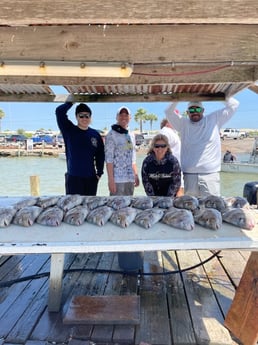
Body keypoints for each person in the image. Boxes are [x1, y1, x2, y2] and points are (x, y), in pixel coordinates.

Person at [165, 97, 239, 197]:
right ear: (187, 112)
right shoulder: (182, 124)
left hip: (210, 175)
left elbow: (234, 105)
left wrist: (215, 94)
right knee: (190, 209)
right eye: (191, 110)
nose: (195, 112)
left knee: (212, 209)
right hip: (189, 176)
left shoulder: (214, 119)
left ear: (203, 110)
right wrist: (179, 96)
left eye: (198, 109)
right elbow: (168, 111)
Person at [105, 106, 141, 271]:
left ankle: (125, 240)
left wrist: (136, 174)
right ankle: (114, 242)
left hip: (128, 178)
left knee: (127, 210)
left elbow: (133, 157)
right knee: (115, 209)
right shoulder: (111, 135)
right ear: (117, 116)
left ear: (130, 118)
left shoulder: (131, 135)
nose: (124, 117)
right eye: (121, 114)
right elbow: (109, 159)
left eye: (127, 115)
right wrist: (110, 180)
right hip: (117, 179)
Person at [55, 101, 105, 196]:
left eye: (87, 116)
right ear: (76, 117)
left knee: (89, 208)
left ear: (90, 118)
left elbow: (100, 155)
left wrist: (99, 173)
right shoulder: (69, 130)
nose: (84, 118)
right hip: (73, 178)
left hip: (91, 178)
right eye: (81, 116)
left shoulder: (95, 135)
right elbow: (59, 111)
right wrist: (72, 102)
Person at [160, 118, 184, 196]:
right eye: (174, 119)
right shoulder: (166, 132)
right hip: (172, 173)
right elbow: (160, 152)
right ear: (167, 123)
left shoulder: (172, 132)